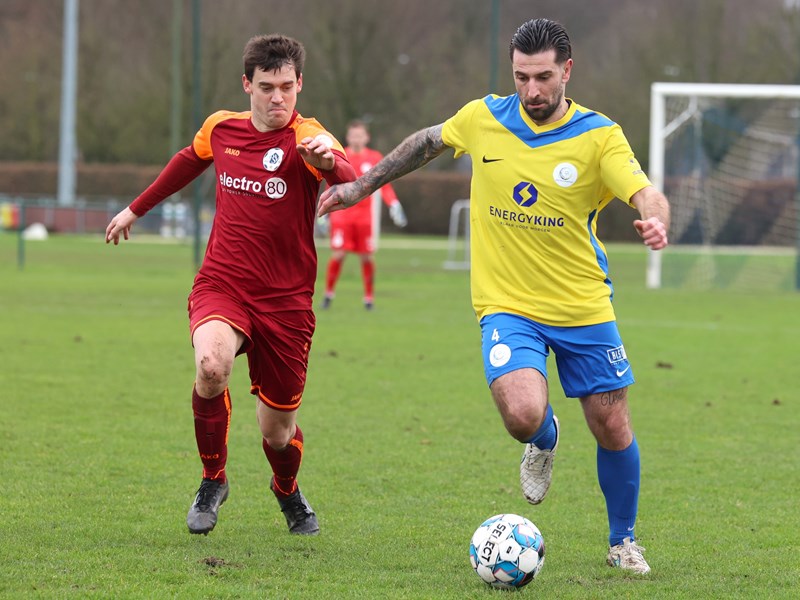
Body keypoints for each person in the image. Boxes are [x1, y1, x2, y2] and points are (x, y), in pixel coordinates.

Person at [319, 18, 669, 573]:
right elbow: (427, 143)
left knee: (612, 425)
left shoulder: (600, 135)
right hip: (508, 306)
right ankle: (544, 439)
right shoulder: (483, 117)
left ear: (567, 71)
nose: (532, 90)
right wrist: (361, 186)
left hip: (582, 307)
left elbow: (647, 192)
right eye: (522, 77)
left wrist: (655, 221)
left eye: (544, 77)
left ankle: (622, 540)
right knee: (523, 414)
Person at [105, 34, 356, 537]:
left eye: (287, 86)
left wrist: (329, 161)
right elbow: (184, 163)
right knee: (211, 365)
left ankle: (286, 490)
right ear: (247, 85)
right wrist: (136, 208)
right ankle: (212, 480)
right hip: (224, 285)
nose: (278, 98)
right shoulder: (222, 130)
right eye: (267, 87)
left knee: (277, 433)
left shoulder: (309, 137)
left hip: (286, 303)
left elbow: (347, 177)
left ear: (300, 84)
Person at [321, 120, 407, 310]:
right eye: (353, 135)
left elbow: (384, 183)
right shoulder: (339, 154)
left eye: (360, 135)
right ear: (348, 137)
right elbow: (331, 183)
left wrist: (393, 204)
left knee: (367, 257)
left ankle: (368, 298)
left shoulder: (375, 157)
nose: (357, 139)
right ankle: (328, 294)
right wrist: (325, 212)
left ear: (366, 137)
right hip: (342, 216)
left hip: (364, 219)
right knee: (339, 254)